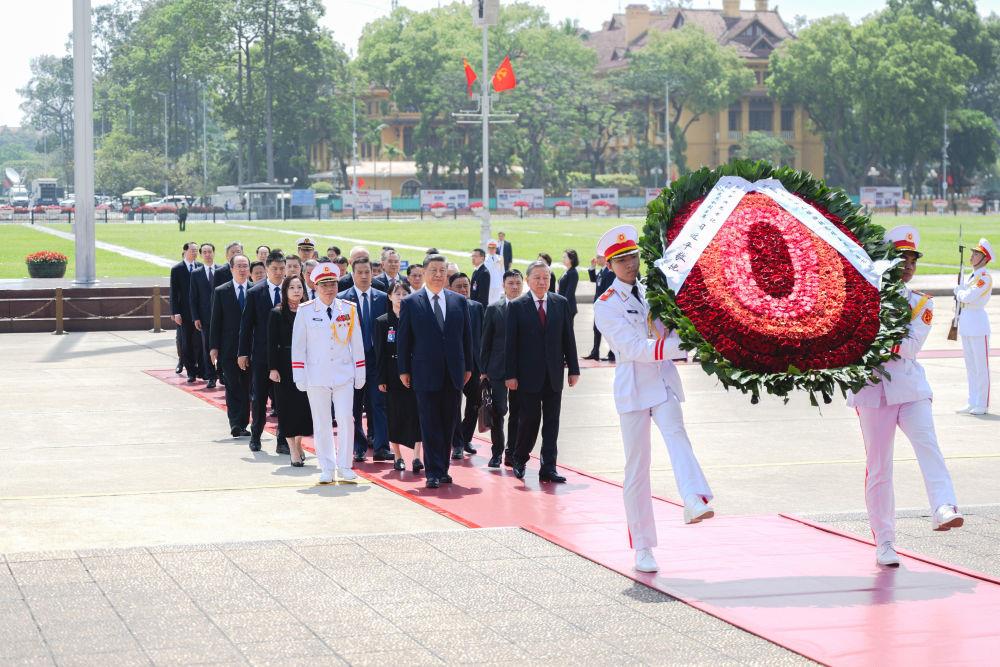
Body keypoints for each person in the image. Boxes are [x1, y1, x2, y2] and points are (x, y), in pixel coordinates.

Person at [593, 225, 714, 574]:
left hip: (662, 382)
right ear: (609, 266)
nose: (630, 264)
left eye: (633, 257)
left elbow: (672, 326)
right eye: (621, 260)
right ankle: (643, 547)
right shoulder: (606, 305)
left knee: (677, 436)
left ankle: (693, 498)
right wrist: (684, 345)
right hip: (633, 388)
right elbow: (634, 348)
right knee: (637, 468)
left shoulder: (654, 291)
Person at [848, 226, 963, 567]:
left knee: (928, 446)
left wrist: (874, 337)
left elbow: (909, 347)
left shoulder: (921, 303)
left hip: (910, 390)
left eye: (913, 259)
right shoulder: (863, 298)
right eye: (902, 259)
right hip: (872, 392)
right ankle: (885, 542)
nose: (909, 265)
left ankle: (943, 506)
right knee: (879, 468)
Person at [397, 254, 474, 489]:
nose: (439, 275)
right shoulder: (411, 302)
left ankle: (443, 469)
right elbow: (404, 340)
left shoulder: (458, 301)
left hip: (454, 372)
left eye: (442, 270)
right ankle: (432, 472)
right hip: (424, 372)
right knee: (429, 423)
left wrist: (468, 366)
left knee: (449, 423)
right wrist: (403, 369)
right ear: (424, 272)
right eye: (434, 270)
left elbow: (467, 338)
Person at [504, 260, 580, 483]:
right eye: (537, 278)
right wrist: (510, 375)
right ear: (528, 280)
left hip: (553, 374)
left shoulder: (560, 303)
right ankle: (519, 458)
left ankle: (548, 467)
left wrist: (573, 369)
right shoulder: (517, 306)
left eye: (546, 277)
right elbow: (510, 344)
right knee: (529, 420)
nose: (542, 282)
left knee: (552, 422)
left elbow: (568, 338)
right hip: (527, 376)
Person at [292, 263, 367, 484]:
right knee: (322, 422)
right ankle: (326, 466)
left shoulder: (348, 309)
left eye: (333, 284)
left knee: (346, 419)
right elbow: (298, 346)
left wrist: (360, 371)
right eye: (324, 285)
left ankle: (344, 466)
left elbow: (357, 342)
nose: (329, 289)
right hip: (316, 375)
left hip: (344, 373)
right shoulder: (306, 310)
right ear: (315, 287)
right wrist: (299, 375)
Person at [338, 257, 391, 462]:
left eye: (367, 272)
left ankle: (381, 446)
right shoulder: (342, 300)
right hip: (351, 361)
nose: (363, 276)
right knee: (354, 406)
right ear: (352, 274)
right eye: (359, 272)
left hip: (377, 361)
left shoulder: (382, 298)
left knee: (379, 403)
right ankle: (358, 446)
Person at [239, 250, 289, 454]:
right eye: (274, 268)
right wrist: (242, 353)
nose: (278, 272)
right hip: (261, 355)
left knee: (284, 400)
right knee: (259, 398)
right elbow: (246, 325)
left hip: (284, 356)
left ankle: (283, 440)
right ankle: (256, 435)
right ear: (267, 269)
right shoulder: (255, 292)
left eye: (281, 268)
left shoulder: (292, 289)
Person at [375, 282, 424, 472]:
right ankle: (397, 456)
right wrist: (381, 379)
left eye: (405, 294)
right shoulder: (382, 321)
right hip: (392, 374)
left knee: (417, 414)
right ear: (389, 296)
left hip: (414, 372)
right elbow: (379, 353)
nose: (401, 297)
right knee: (394, 415)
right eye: (397, 294)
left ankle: (417, 457)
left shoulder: (415, 318)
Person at [268, 275, 313, 466]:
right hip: (284, 365)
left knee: (303, 407)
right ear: (285, 291)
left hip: (306, 364)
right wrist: (272, 368)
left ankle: (299, 443)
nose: (296, 291)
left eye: (299, 287)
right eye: (292, 287)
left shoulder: (309, 311)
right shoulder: (277, 313)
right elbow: (271, 343)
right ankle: (292, 449)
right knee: (287, 408)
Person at [480, 269, 523, 468]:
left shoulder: (527, 307)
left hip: (521, 371)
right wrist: (483, 370)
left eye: (518, 283)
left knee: (517, 412)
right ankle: (496, 452)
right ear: (504, 286)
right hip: (497, 369)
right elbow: (486, 341)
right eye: (510, 283)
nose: (514, 287)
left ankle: (511, 452)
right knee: (498, 411)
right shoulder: (493, 309)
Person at [210, 255, 252, 438]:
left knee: (246, 387)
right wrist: (213, 347)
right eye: (239, 266)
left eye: (245, 266)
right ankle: (235, 423)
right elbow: (215, 321)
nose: (242, 269)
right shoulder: (221, 291)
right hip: (228, 348)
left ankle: (244, 422)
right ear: (231, 269)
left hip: (250, 348)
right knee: (232, 385)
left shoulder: (255, 290)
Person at [954, 238, 993, 415]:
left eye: (976, 254)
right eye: (973, 253)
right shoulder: (972, 276)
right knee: (970, 366)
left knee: (981, 367)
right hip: (967, 322)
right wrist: (961, 292)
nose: (972, 256)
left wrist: (959, 292)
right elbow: (964, 295)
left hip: (978, 324)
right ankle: (972, 401)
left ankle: (982, 403)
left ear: (984, 259)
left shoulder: (984, 278)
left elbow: (968, 297)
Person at [448, 273, 483, 459]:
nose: (463, 289)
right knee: (454, 404)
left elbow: (483, 336)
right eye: (458, 286)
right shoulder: (447, 307)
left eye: (465, 286)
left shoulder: (477, 307)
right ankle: (457, 443)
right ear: (450, 289)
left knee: (476, 402)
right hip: (454, 364)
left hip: (474, 365)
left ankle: (465, 436)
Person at [190, 243, 223, 389]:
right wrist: (195, 317)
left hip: (222, 316)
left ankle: (222, 374)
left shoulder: (222, 271)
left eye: (210, 251)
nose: (208, 254)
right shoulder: (196, 273)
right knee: (207, 347)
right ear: (201, 255)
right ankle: (211, 376)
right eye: (204, 252)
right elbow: (193, 297)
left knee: (223, 346)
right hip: (205, 317)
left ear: (214, 253)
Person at [170, 241, 203, 383]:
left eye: (196, 250)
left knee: (199, 342)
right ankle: (190, 371)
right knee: (186, 343)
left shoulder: (200, 267)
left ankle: (200, 369)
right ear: (185, 251)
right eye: (192, 250)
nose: (195, 253)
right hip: (184, 313)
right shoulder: (177, 269)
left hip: (199, 312)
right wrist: (175, 312)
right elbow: (173, 292)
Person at [585, 254, 616, 361]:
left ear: (605, 258)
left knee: (608, 330)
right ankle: (595, 352)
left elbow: (608, 291)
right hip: (599, 306)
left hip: (605, 307)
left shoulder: (610, 272)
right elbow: (594, 279)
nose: (596, 259)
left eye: (599, 257)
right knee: (596, 329)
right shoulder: (603, 271)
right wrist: (592, 267)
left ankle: (612, 352)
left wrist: (604, 305)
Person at [558, 249, 579, 327]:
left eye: (565, 257)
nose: (563, 259)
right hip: (564, 305)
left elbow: (569, 293)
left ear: (571, 259)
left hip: (568, 307)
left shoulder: (573, 273)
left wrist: (562, 306)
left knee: (567, 330)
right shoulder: (567, 271)